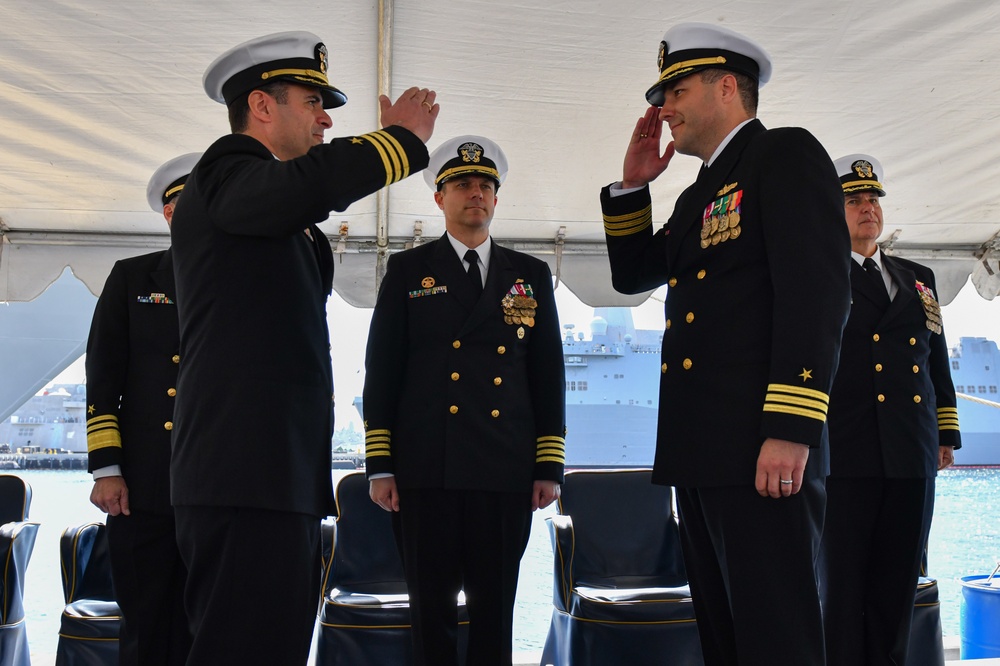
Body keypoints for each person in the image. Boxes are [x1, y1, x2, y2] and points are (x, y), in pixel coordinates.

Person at [168, 30, 437, 665]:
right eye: (313, 103)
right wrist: (397, 143)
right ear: (262, 106)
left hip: (274, 474)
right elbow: (306, 186)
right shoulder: (224, 173)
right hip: (240, 473)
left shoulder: (275, 213)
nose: (326, 119)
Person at [601, 22, 851, 665]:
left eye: (676, 90)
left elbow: (817, 292)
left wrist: (791, 427)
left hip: (760, 447)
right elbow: (634, 276)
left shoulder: (784, 155)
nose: (663, 110)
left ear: (728, 87)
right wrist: (634, 186)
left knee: (777, 636)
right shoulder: (697, 196)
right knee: (725, 637)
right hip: (705, 451)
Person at [362, 135, 566, 666]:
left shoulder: (529, 274)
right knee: (430, 613)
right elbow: (382, 371)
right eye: (461, 185)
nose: (474, 193)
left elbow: (547, 373)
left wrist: (549, 464)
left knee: (495, 611)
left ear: (495, 199)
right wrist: (380, 463)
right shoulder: (409, 272)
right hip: (427, 469)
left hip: (504, 471)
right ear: (439, 199)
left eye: (484, 186)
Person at [820, 154, 961, 665]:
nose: (868, 209)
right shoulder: (819, 272)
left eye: (873, 199)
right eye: (854, 200)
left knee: (897, 589)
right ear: (833, 211)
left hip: (910, 452)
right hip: (844, 454)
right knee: (841, 591)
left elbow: (934, 359)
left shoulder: (917, 276)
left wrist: (944, 433)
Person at [85, 152, 199, 666]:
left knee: (209, 624)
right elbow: (103, 378)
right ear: (168, 215)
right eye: (183, 205)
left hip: (215, 483)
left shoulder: (244, 282)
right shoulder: (132, 278)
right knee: (146, 622)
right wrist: (107, 469)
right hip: (142, 482)